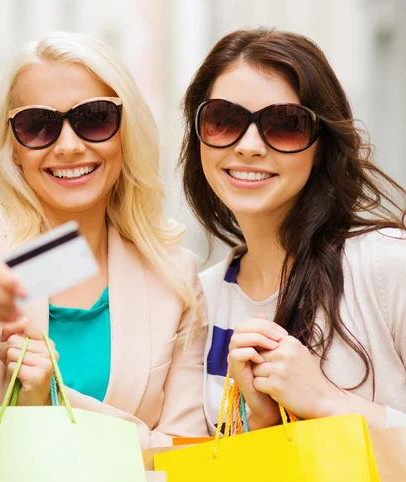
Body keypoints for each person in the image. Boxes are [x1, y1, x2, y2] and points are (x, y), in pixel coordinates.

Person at [0, 31, 208, 448]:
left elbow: (187, 452)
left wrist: (55, 402)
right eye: (38, 126)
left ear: (126, 132)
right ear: (13, 146)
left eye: (95, 118)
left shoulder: (174, 276)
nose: (69, 146)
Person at [180, 28, 406, 433]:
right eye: (224, 120)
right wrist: (266, 423)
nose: (249, 145)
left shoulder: (387, 266)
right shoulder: (199, 301)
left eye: (285, 124)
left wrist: (325, 400)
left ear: (321, 146)